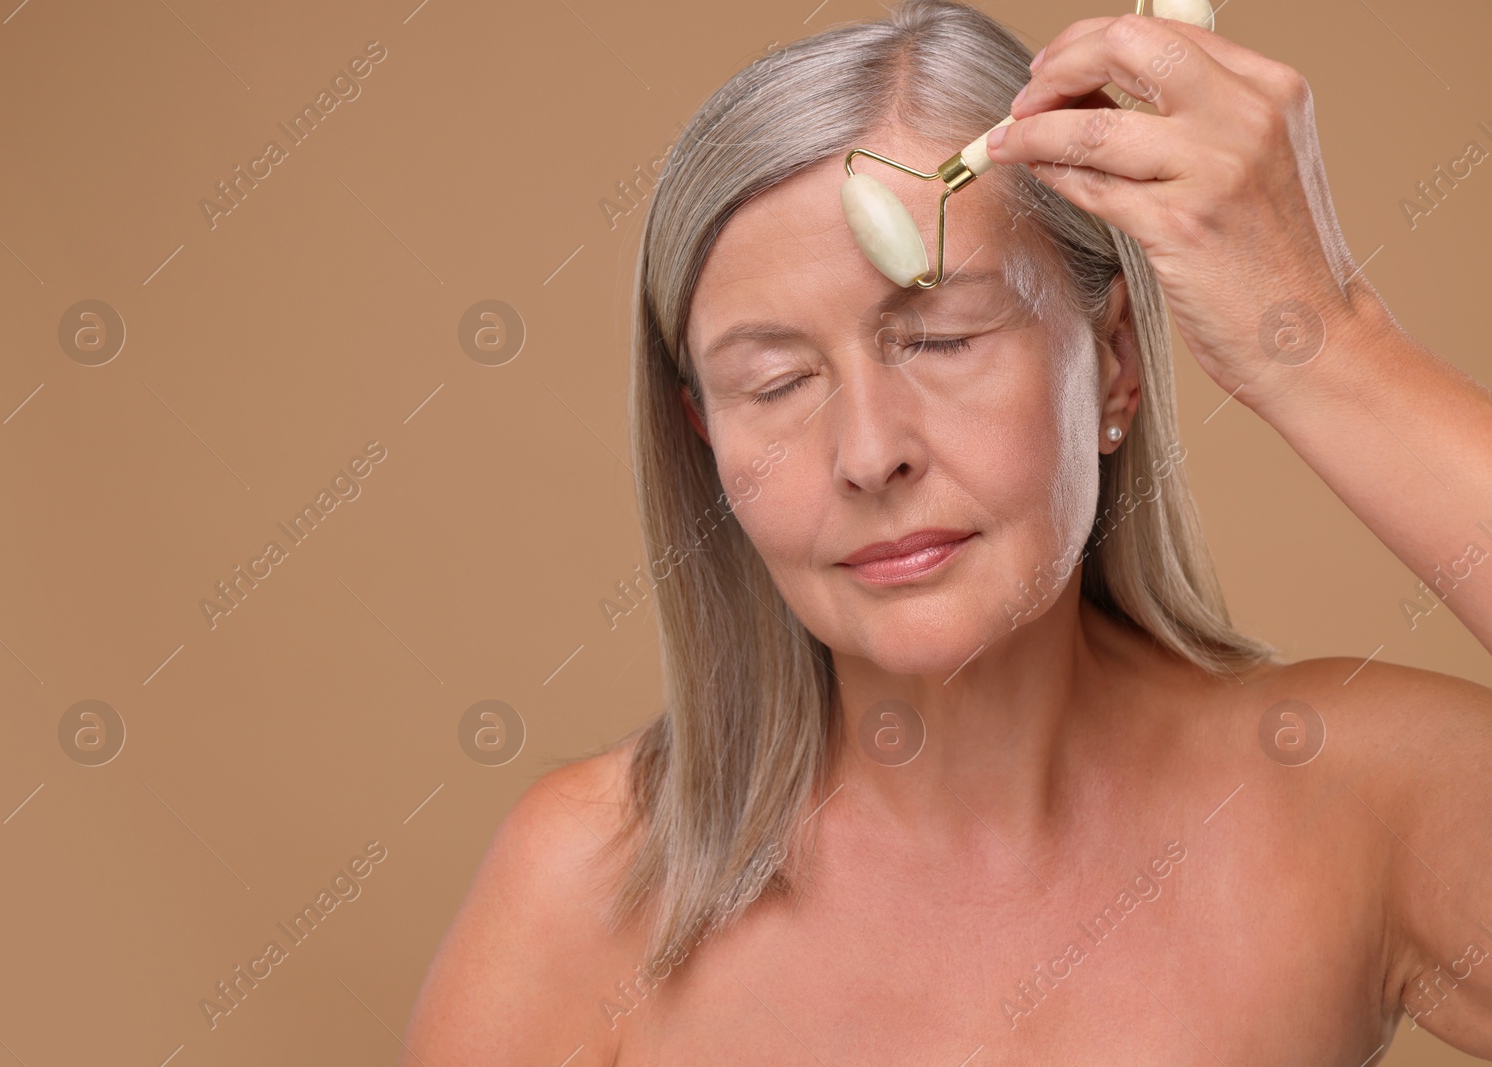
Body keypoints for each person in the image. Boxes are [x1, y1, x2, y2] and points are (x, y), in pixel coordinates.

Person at [403, 2, 1492, 1062]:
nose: (869, 451)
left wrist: (1320, 343)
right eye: (776, 381)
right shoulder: (585, 881)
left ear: (1114, 361)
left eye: (938, 338)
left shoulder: (1349, 803)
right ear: (703, 443)